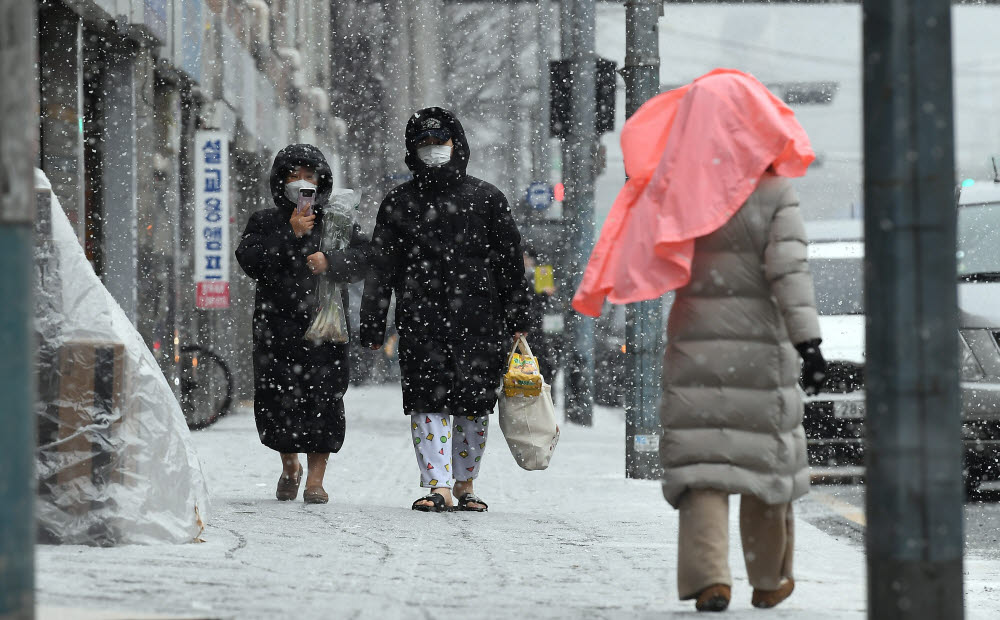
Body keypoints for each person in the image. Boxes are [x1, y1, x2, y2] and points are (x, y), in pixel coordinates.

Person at [572, 69, 827, 612]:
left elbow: (645, 250)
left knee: (703, 470)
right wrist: (809, 343)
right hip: (761, 350)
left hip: (694, 342)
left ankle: (710, 577)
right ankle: (767, 578)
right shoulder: (775, 193)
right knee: (764, 469)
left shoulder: (678, 188)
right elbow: (791, 274)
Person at [361, 107, 529, 513]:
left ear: (457, 145)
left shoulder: (488, 199)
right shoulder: (399, 203)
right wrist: (372, 323)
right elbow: (381, 268)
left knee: (474, 405)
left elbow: (510, 265)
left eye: (440, 143)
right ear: (412, 151)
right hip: (421, 322)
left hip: (480, 321)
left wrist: (519, 318)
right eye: (424, 145)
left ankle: (465, 483)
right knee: (427, 402)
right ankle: (437, 484)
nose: (433, 151)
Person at [235, 144, 369, 504]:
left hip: (326, 328)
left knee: (324, 399)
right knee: (277, 399)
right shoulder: (264, 221)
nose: (301, 183)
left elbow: (364, 258)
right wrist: (289, 235)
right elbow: (249, 260)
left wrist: (332, 262)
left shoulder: (337, 220)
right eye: (293, 176)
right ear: (281, 181)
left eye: (309, 176)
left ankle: (316, 480)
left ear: (321, 181)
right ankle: (289, 465)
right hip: (275, 327)